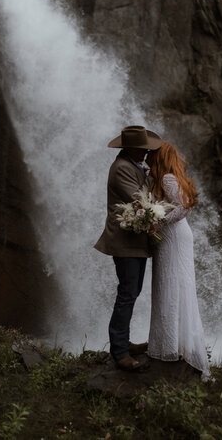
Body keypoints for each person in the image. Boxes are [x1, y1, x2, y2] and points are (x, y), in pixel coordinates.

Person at [95, 125, 163, 371]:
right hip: (124, 241)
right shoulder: (122, 168)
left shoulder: (132, 165)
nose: (146, 153)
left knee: (131, 291)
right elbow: (140, 200)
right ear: (132, 149)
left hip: (133, 242)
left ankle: (124, 342)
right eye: (143, 149)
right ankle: (120, 352)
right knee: (127, 293)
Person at [145, 141, 211, 380]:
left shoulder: (167, 180)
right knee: (172, 284)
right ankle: (173, 343)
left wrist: (158, 223)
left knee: (171, 285)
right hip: (176, 236)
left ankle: (172, 345)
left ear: (160, 157)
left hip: (173, 237)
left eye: (152, 154)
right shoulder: (166, 178)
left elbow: (184, 207)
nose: (148, 157)